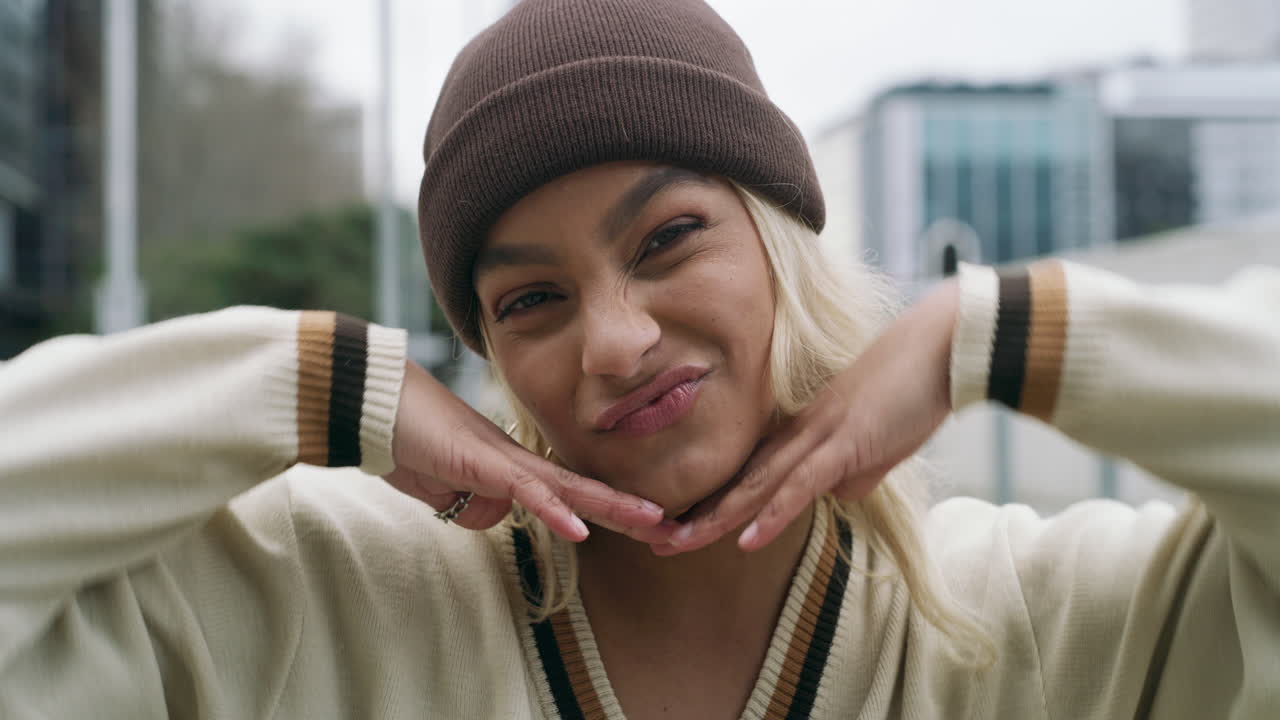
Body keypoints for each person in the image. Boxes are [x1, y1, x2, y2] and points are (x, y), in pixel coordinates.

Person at [2, 0, 1278, 717]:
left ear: (780, 241)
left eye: (669, 237)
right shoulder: (313, 595)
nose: (612, 341)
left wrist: (1004, 337)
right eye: (531, 301)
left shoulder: (1052, 625)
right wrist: (312, 386)